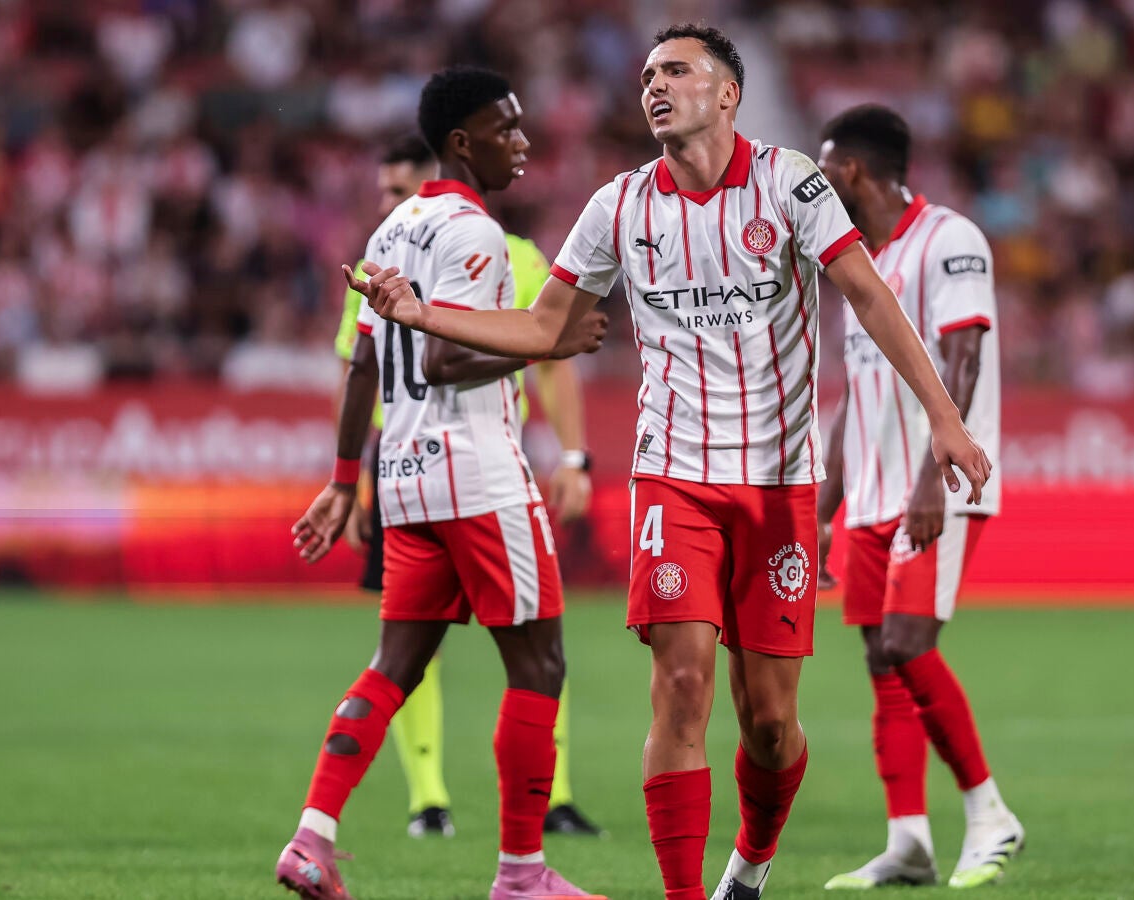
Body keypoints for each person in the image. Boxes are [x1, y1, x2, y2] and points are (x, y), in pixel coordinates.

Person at [347, 26, 992, 900]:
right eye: (649, 74)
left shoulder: (792, 183)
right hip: (673, 477)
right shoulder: (618, 204)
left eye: (678, 71)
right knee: (681, 684)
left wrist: (944, 419)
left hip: (777, 484)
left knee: (770, 725)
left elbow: (870, 297)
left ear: (727, 94)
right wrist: (424, 315)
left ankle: (750, 865)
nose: (655, 84)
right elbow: (543, 326)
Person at [278, 67, 607, 900]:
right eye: (507, 128)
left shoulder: (391, 230)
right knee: (540, 666)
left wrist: (344, 481)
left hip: (405, 479)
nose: (522, 143)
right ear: (463, 141)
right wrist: (552, 343)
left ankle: (312, 837)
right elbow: (445, 358)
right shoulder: (476, 234)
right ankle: (522, 875)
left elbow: (364, 363)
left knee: (393, 666)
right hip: (479, 474)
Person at [334, 134, 603, 841]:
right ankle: (443, 806)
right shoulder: (423, 247)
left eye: (399, 190)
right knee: (531, 645)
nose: (390, 204)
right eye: (384, 193)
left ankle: (322, 826)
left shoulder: (421, 249)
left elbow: (362, 367)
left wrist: (574, 455)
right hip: (466, 468)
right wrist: (350, 483)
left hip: (414, 470)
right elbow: (374, 369)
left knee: (403, 653)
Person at [812, 105, 1025, 890]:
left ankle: (990, 814)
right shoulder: (858, 265)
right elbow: (854, 394)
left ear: (854, 171)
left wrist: (935, 478)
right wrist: (824, 508)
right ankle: (908, 841)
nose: (817, 184)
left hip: (937, 486)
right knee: (881, 659)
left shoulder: (950, 239)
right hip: (872, 495)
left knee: (907, 644)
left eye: (824, 170)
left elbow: (963, 360)